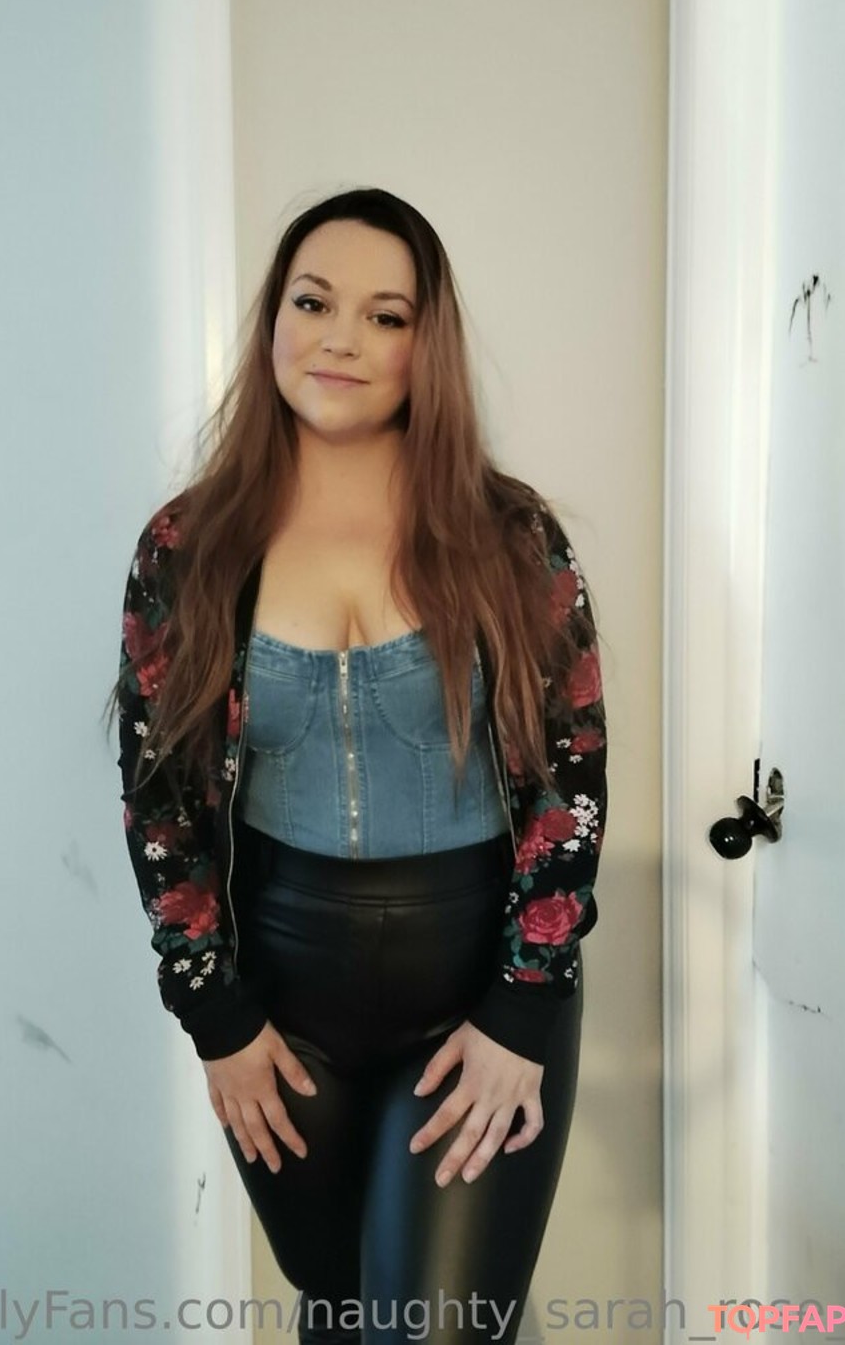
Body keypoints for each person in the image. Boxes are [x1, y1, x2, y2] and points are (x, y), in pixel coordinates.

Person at [108, 187, 608, 1345]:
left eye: (386, 316)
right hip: (281, 1015)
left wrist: (523, 1006)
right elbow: (158, 794)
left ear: (427, 347)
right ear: (272, 318)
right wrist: (214, 1012)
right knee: (340, 1312)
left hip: (478, 994)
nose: (340, 338)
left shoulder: (508, 536)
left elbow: (570, 780)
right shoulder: (188, 546)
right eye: (313, 302)